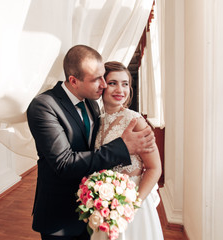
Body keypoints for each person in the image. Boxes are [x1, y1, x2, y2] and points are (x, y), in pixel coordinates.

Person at [26, 45, 155, 240]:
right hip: (60, 214)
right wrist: (124, 146)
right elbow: (64, 163)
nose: (103, 84)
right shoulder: (44, 106)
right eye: (97, 79)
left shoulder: (92, 103)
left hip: (97, 212)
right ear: (73, 81)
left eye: (104, 76)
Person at [91, 61, 164, 240]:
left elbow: (155, 168)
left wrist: (132, 206)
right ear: (102, 85)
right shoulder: (97, 120)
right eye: (113, 83)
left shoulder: (135, 120)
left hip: (132, 203)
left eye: (125, 84)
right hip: (105, 204)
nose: (120, 90)